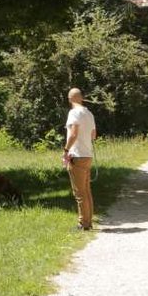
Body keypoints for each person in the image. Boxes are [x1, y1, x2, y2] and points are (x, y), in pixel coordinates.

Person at [63, 87, 96, 231]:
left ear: (70, 99)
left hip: (77, 155)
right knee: (86, 191)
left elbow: (73, 134)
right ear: (81, 98)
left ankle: (83, 223)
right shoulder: (89, 113)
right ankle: (89, 221)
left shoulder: (74, 113)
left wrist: (66, 150)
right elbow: (93, 135)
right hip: (88, 155)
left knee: (79, 193)